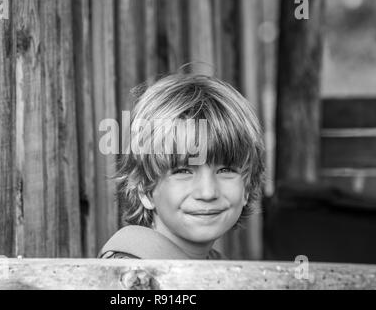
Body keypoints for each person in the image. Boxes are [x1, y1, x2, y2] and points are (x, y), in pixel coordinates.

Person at [98, 73, 265, 260]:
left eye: (226, 170)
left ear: (247, 187)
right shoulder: (130, 274)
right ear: (145, 188)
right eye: (183, 171)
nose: (208, 193)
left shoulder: (218, 269)